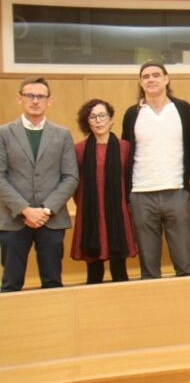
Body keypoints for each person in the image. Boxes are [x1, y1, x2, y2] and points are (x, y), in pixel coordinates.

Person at [0, 77, 78, 291]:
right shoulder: (4, 133)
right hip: (13, 219)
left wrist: (45, 210)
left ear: (48, 101)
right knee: (10, 284)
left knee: (53, 282)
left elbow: (71, 177)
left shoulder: (62, 135)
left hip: (51, 220)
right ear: (20, 99)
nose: (35, 101)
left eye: (40, 96)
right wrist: (25, 210)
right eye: (30, 95)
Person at [121, 60, 190, 279]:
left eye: (156, 75)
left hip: (176, 192)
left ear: (166, 79)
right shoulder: (132, 114)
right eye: (146, 76)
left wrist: (184, 181)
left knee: (184, 263)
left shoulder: (182, 109)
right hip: (141, 195)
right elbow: (126, 154)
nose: (151, 79)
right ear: (140, 82)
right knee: (149, 266)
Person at [71, 99, 138, 283]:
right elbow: (75, 185)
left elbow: (130, 180)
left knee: (119, 270)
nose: (98, 120)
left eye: (102, 115)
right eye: (93, 117)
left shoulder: (125, 148)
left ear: (110, 120)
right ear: (87, 122)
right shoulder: (79, 150)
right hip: (90, 215)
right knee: (93, 271)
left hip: (118, 213)